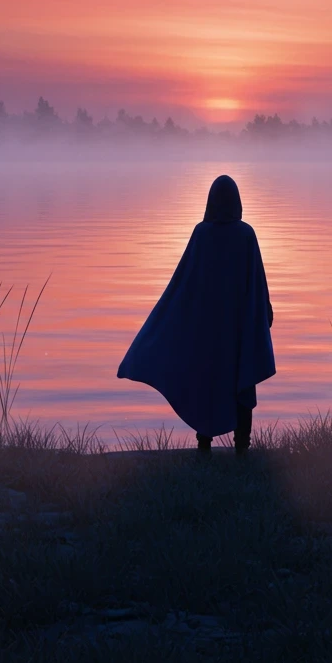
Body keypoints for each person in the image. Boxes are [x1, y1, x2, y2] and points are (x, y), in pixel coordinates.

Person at [117, 175, 275, 455]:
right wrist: (264, 314)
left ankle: (204, 446)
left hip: (206, 328)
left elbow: (183, 283)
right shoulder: (246, 234)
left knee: (206, 381)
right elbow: (258, 285)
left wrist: (171, 319)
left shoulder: (202, 234)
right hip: (238, 328)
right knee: (241, 379)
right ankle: (242, 450)